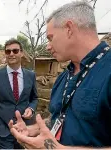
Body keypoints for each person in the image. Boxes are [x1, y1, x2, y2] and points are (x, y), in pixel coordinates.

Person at [8, 1, 111, 149]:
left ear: (69, 29)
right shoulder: (64, 77)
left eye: (50, 38)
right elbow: (59, 118)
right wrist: (33, 130)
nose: (48, 46)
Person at [0, 39, 38, 149]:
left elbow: (34, 98)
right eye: (8, 51)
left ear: (22, 53)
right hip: (3, 130)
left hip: (25, 129)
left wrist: (31, 108)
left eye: (15, 51)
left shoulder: (31, 75)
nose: (11, 54)